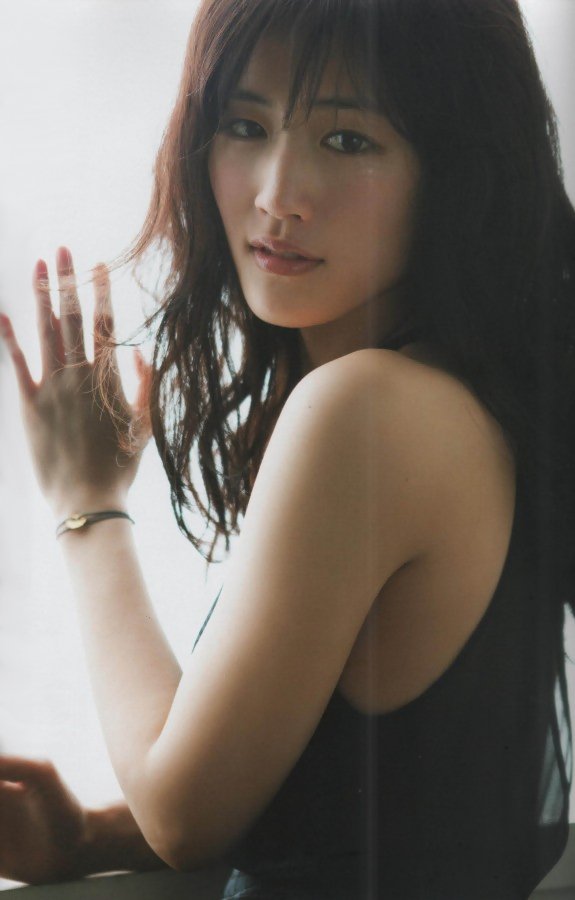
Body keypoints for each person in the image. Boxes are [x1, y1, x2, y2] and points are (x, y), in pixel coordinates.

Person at [0, 0, 574, 897]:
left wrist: (88, 503)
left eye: (346, 140)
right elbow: (398, 806)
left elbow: (186, 815)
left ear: (455, 169)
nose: (276, 195)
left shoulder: (368, 412)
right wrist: (89, 838)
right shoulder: (469, 402)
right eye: (244, 125)